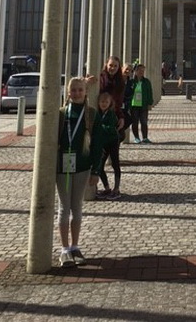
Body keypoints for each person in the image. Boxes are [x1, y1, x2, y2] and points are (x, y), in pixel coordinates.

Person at [56, 77, 102, 267]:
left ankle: (75, 245)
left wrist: (96, 170)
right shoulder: (61, 114)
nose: (76, 93)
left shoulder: (91, 114)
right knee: (63, 208)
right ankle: (64, 249)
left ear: (85, 92)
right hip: (62, 167)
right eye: (73, 90)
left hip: (82, 166)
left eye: (80, 90)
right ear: (68, 92)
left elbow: (97, 145)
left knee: (77, 207)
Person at [96, 92, 122, 200]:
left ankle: (116, 189)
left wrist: (99, 127)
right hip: (103, 143)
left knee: (115, 164)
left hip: (113, 142)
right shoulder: (98, 113)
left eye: (106, 102)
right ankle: (107, 187)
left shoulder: (111, 114)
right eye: (102, 102)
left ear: (110, 103)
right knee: (100, 166)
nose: (104, 104)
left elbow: (110, 128)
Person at [125, 63, 154, 143]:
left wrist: (150, 103)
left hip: (143, 104)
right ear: (135, 71)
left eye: (143, 70)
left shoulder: (146, 81)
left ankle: (145, 137)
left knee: (144, 122)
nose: (141, 72)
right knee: (135, 122)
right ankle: (136, 138)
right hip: (134, 105)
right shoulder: (131, 82)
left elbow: (149, 92)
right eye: (139, 70)